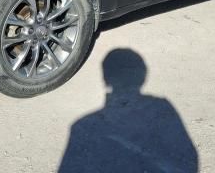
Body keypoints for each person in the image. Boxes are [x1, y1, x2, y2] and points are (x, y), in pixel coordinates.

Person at [59, 48, 198, 172]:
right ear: (143, 77)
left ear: (105, 79)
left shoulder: (81, 126)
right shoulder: (162, 107)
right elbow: (189, 157)